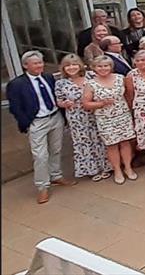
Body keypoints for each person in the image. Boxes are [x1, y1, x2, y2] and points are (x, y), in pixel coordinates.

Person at [8, 51, 76, 203]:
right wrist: (27, 121)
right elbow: (15, 107)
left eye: (41, 62)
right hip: (37, 121)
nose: (40, 66)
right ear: (26, 66)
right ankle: (42, 187)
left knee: (56, 148)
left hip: (55, 117)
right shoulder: (17, 84)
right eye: (35, 63)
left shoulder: (48, 77)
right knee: (40, 155)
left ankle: (56, 175)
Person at [55, 54, 111, 182]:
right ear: (63, 68)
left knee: (100, 139)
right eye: (68, 65)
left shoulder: (91, 76)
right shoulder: (60, 83)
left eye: (74, 64)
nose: (71, 67)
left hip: (96, 113)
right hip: (77, 117)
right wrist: (64, 104)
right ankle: (91, 169)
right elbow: (59, 101)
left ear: (80, 65)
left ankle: (107, 166)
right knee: (84, 142)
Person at [82, 55, 137, 186]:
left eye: (106, 66)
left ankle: (128, 167)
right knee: (112, 145)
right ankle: (117, 170)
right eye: (100, 66)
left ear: (110, 66)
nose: (103, 68)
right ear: (94, 68)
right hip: (105, 118)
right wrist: (101, 103)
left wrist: (130, 110)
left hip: (122, 115)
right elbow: (86, 104)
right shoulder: (91, 84)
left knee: (125, 143)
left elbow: (128, 95)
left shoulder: (119, 78)